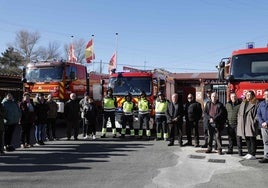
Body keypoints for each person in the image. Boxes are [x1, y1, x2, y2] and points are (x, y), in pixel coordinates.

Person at [237, 90, 258, 160]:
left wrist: (254, 121)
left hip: (250, 122)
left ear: (252, 96)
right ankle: (249, 153)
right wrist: (239, 120)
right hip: (244, 123)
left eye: (249, 95)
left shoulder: (256, 103)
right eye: (247, 95)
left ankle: (253, 154)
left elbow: (258, 114)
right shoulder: (243, 102)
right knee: (247, 138)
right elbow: (239, 112)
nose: (247, 96)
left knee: (252, 138)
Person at [256, 89, 268, 163]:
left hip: (266, 124)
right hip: (263, 126)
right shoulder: (261, 104)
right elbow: (258, 114)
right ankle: (266, 157)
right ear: (263, 96)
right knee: (266, 142)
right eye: (266, 94)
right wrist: (262, 122)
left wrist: (266, 122)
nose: (267, 96)